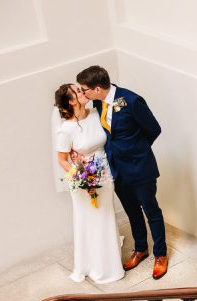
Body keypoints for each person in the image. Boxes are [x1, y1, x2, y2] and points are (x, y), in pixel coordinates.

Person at [76, 66, 168, 279]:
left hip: (139, 167)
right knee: (132, 211)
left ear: (97, 88)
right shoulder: (98, 103)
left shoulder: (133, 100)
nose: (83, 94)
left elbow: (154, 129)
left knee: (151, 210)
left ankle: (160, 254)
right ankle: (141, 249)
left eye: (85, 89)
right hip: (116, 169)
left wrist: (136, 150)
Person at [53, 84, 125, 284]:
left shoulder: (96, 113)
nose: (82, 92)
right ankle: (93, 265)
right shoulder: (65, 130)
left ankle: (110, 261)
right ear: (71, 101)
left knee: (106, 215)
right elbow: (62, 160)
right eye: (77, 92)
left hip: (105, 174)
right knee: (89, 220)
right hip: (85, 178)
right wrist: (81, 177)